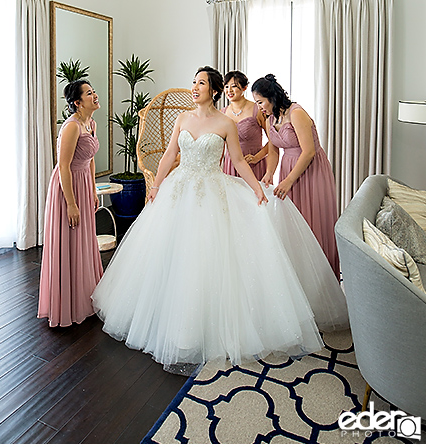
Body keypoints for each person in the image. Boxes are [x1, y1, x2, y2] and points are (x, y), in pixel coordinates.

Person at [92, 67, 347, 374]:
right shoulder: (183, 119)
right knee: (169, 253)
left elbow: (238, 161)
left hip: (211, 192)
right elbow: (170, 153)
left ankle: (199, 329)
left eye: (201, 82)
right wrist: (156, 186)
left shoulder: (226, 122)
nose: (194, 86)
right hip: (178, 190)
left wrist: (257, 188)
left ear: (212, 90)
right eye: (193, 81)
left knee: (206, 257)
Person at [252, 74, 341, 279]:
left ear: (272, 97)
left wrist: (289, 180)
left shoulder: (297, 113)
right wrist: (269, 174)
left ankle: (322, 280)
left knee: (313, 222)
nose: (259, 108)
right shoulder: (269, 120)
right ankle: (301, 279)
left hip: (311, 170)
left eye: (260, 102)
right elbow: (273, 152)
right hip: (288, 170)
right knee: (294, 224)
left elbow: (309, 151)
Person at [37, 80, 103, 327]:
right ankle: (67, 303)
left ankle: (84, 295)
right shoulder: (72, 127)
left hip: (84, 183)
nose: (95, 95)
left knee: (84, 241)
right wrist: (71, 203)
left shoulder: (91, 123)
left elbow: (90, 158)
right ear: (77, 102)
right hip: (68, 187)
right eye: (89, 93)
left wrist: (93, 189)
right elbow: (63, 166)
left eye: (93, 91)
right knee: (69, 240)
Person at [220, 70, 269, 180]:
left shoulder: (257, 109)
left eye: (234, 86)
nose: (229, 90)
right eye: (226, 86)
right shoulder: (222, 113)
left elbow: (273, 141)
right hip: (230, 165)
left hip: (253, 164)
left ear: (244, 88)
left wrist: (257, 158)